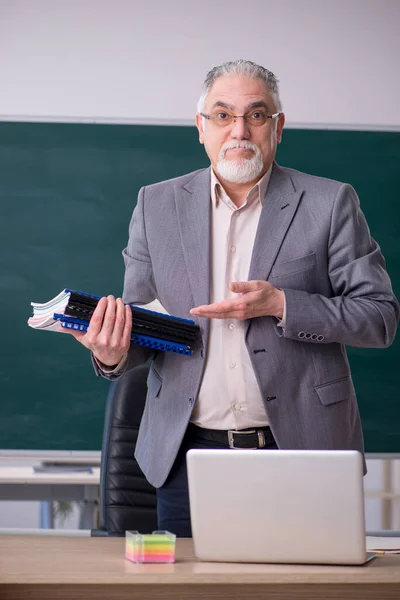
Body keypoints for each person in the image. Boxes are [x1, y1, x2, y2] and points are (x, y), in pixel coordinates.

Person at [67, 60, 399, 537]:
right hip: (185, 457)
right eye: (222, 115)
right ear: (201, 127)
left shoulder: (330, 202)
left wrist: (282, 304)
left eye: (256, 115)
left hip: (305, 451)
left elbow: (380, 317)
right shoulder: (155, 205)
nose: (239, 130)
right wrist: (112, 351)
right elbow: (144, 328)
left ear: (278, 127)